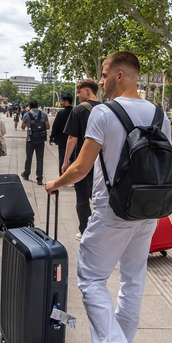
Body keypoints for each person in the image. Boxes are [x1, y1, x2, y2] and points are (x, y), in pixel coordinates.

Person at [45, 51, 171, 343]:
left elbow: (82, 167)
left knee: (91, 279)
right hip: (148, 211)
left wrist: (55, 183)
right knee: (133, 281)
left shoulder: (103, 112)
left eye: (103, 74)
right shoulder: (162, 115)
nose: (100, 81)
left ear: (119, 75)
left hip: (112, 210)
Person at [62, 79, 101, 240]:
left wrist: (66, 162)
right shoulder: (108, 108)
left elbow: (72, 138)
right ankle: (101, 229)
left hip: (84, 161)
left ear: (88, 91)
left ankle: (85, 230)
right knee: (100, 197)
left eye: (79, 92)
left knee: (83, 198)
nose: (77, 95)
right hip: (104, 163)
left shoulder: (78, 110)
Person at [21, 99, 50, 185]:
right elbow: (48, 126)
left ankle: (26, 174)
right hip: (41, 140)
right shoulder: (44, 114)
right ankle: (39, 178)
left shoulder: (27, 115)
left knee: (28, 158)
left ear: (29, 107)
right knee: (40, 159)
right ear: (37, 106)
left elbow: (23, 127)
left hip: (30, 139)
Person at [50, 94, 73, 175]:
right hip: (74, 140)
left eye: (62, 101)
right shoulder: (76, 112)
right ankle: (72, 176)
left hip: (62, 140)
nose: (61, 103)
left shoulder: (61, 113)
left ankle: (63, 175)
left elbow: (55, 126)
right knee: (73, 159)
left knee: (62, 158)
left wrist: (52, 137)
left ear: (66, 102)